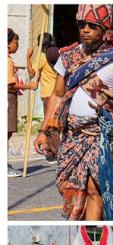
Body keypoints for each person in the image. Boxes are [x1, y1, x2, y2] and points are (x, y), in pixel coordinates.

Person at [33, 5, 113, 220]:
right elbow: (57, 95)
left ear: (104, 29)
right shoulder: (67, 56)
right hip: (71, 133)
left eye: (92, 25)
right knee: (66, 185)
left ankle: (91, 228)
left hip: (100, 134)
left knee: (94, 187)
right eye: (82, 25)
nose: (85, 29)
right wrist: (44, 130)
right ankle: (78, 220)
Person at [8, 28, 39, 177]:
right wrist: (29, 86)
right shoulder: (6, 61)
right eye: (15, 42)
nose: (17, 45)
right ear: (7, 44)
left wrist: (28, 57)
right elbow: (9, 84)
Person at [27, 33, 59, 164]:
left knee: (50, 124)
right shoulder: (57, 54)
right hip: (58, 93)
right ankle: (52, 151)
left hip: (48, 94)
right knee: (54, 123)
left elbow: (31, 73)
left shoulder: (41, 57)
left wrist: (27, 58)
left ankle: (54, 152)